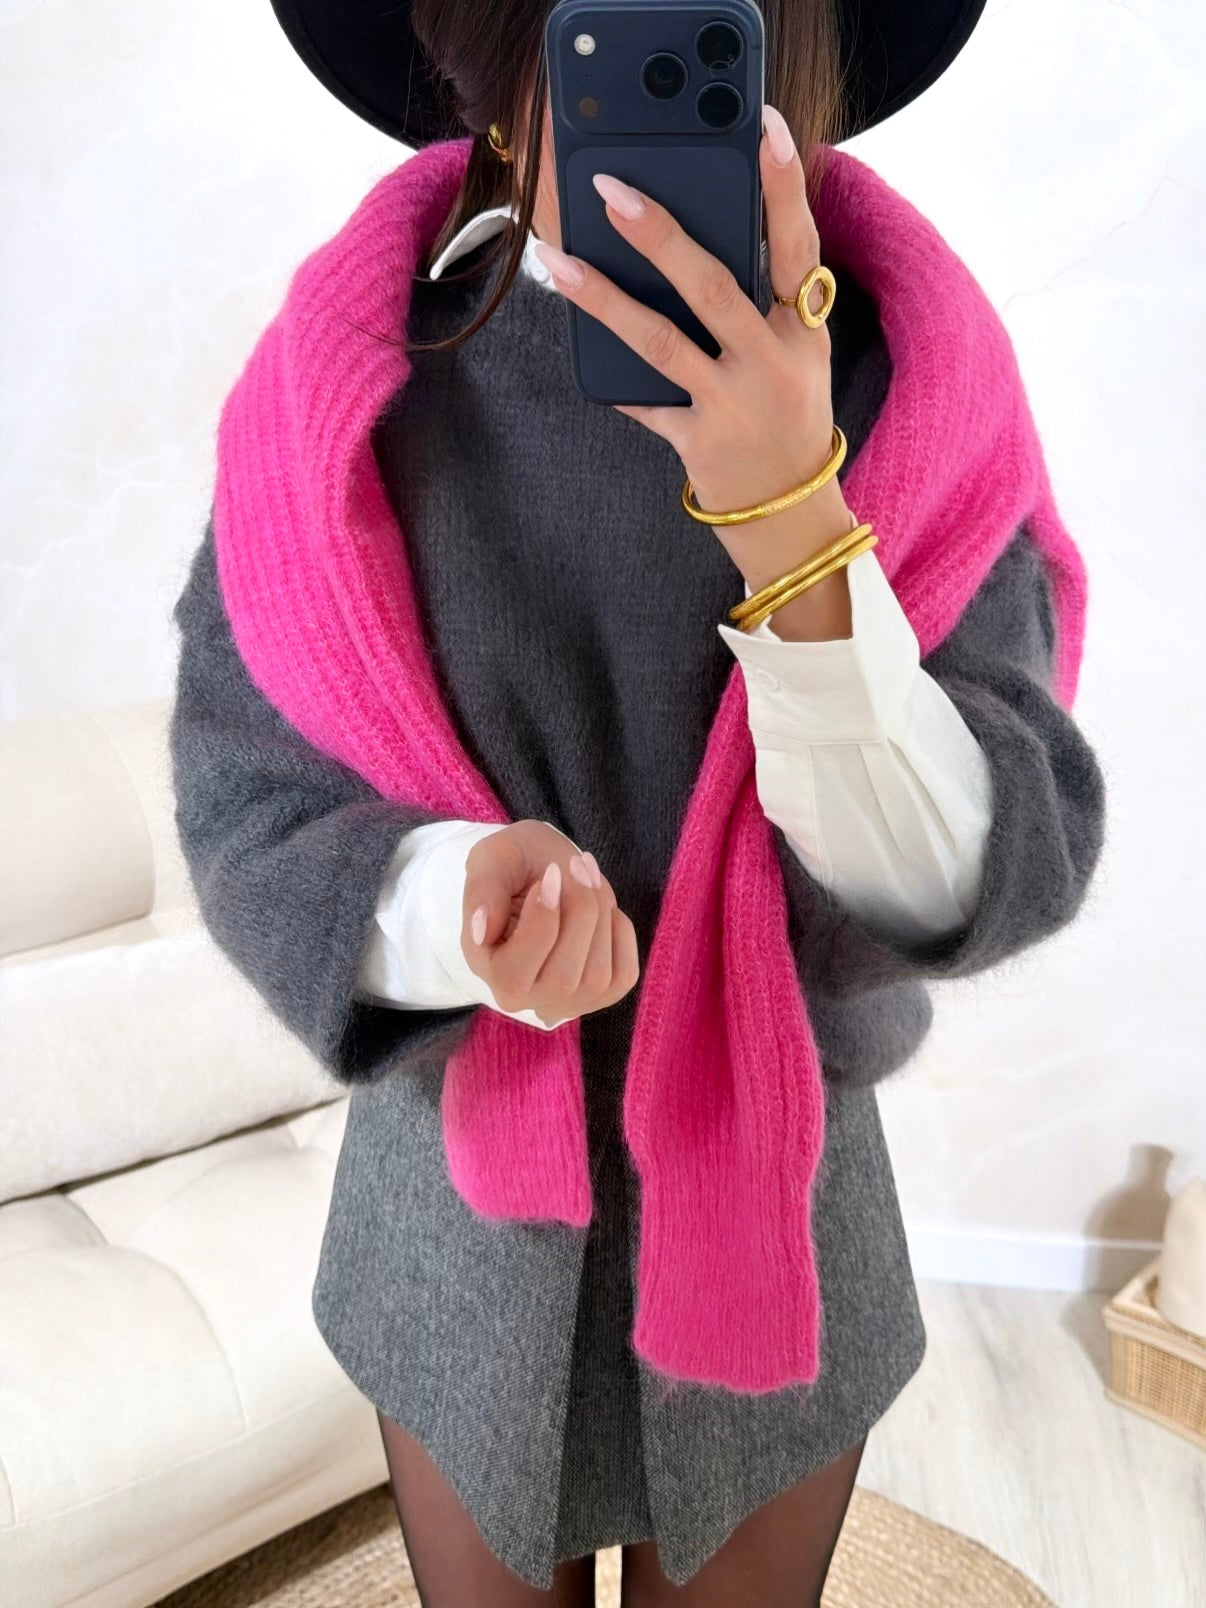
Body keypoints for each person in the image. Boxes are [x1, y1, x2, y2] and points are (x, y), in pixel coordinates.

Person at [168, 2, 1107, 1604]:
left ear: (793, 60)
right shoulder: (340, 406)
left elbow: (988, 863)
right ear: (490, 68)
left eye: (711, 27)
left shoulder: (916, 394)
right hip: (455, 1202)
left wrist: (790, 519)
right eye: (598, 28)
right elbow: (249, 801)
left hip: (783, 1191)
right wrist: (451, 905)